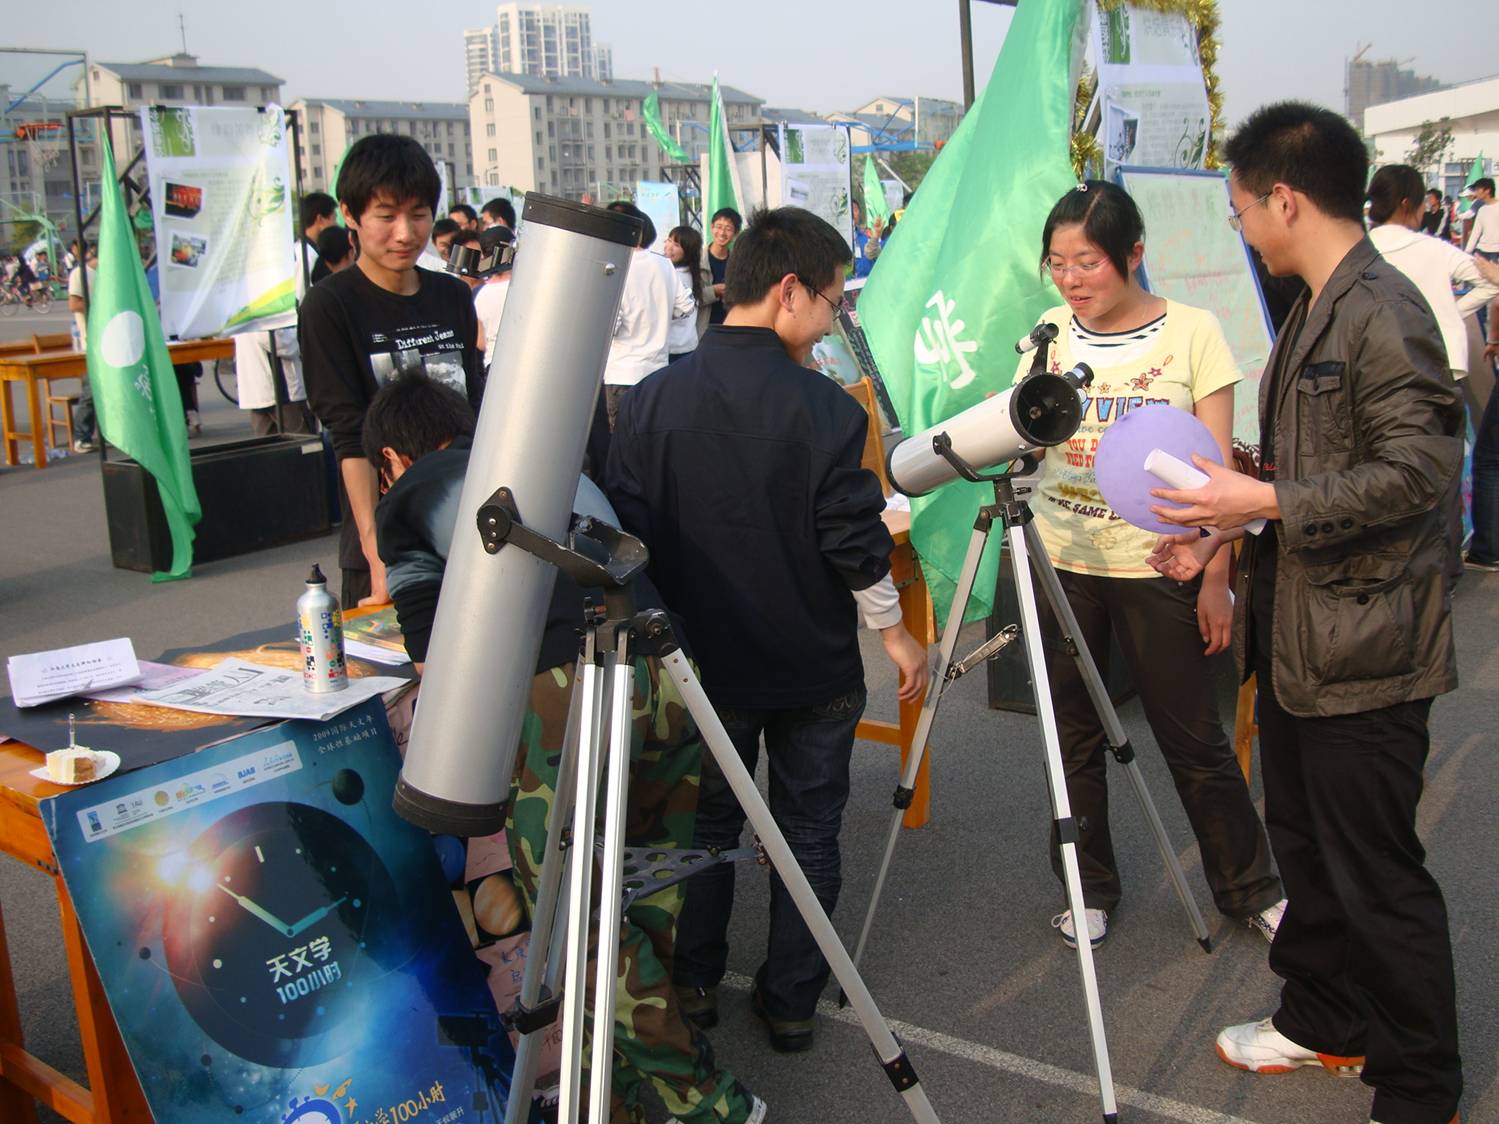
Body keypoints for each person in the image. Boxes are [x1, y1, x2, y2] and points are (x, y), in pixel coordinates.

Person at [1147, 101, 1464, 1124]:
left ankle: (1419, 1085)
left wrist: (1264, 499)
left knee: (1375, 872)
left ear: (1283, 198)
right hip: (1295, 644)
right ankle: (1322, 1014)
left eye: (1240, 207)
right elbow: (1304, 469)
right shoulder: (1312, 303)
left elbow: (1419, 470)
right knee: (1309, 848)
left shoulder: (1381, 306)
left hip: (1363, 648)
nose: (1238, 225)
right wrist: (1219, 516)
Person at [364, 373, 766, 1124]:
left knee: (580, 925)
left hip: (562, 693)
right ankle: (611, 1099)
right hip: (665, 670)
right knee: (644, 895)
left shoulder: (411, 493)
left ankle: (706, 1105)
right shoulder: (547, 464)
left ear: (392, 456)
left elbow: (433, 651)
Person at [606, 206, 929, 1053]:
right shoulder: (826, 411)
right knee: (808, 833)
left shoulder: (646, 400)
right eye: (830, 300)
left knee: (704, 833)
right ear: (789, 291)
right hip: (810, 667)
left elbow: (623, 544)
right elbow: (855, 545)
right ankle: (791, 1002)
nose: (830, 320)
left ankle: (695, 987)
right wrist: (895, 636)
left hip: (695, 667)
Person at [1018, 180, 1284, 952]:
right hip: (1059, 557)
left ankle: (1249, 888)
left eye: (1087, 261)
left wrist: (1213, 576)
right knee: (1071, 738)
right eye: (1057, 262)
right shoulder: (1045, 334)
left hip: (1160, 567)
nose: (1070, 279)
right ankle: (1087, 886)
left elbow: (1220, 478)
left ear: (1132, 254)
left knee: (1190, 739)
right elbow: (1027, 439)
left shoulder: (1195, 333)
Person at [299, 132, 484, 609]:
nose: (405, 233)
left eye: (418, 214)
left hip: (467, 528)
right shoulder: (330, 305)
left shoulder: (452, 296)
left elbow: (478, 408)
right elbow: (348, 434)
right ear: (350, 214)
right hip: (387, 539)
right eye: (386, 216)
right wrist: (376, 554)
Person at [600, 201, 676, 428]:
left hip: (622, 372)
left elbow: (612, 326)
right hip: (659, 370)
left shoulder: (612, 267)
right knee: (654, 439)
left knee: (624, 444)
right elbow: (686, 307)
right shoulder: (664, 264)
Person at [67, 243, 100, 453]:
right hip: (91, 339)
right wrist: (101, 305)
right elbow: (74, 304)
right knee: (91, 390)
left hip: (116, 337)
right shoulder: (80, 273)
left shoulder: (115, 274)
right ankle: (81, 436)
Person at [663, 225, 709, 360]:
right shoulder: (692, 274)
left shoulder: (673, 275)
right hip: (688, 345)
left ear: (687, 252)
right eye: (669, 240)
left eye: (676, 245)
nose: (669, 246)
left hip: (673, 348)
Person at [702, 207, 741, 326]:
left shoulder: (738, 263)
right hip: (702, 329)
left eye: (728, 229)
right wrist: (713, 291)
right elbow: (688, 297)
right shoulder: (697, 260)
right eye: (718, 227)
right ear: (711, 227)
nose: (722, 233)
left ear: (736, 233)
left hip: (729, 328)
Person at [298, 191, 337, 288]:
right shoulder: (308, 256)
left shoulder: (302, 249)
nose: (336, 224)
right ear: (320, 219)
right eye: (333, 219)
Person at [1463, 177, 1498, 261]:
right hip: (1481, 250)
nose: (1476, 192)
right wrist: (1466, 252)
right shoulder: (1482, 210)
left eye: (1478, 189)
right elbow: (1476, 232)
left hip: (1496, 252)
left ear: (1487, 190)